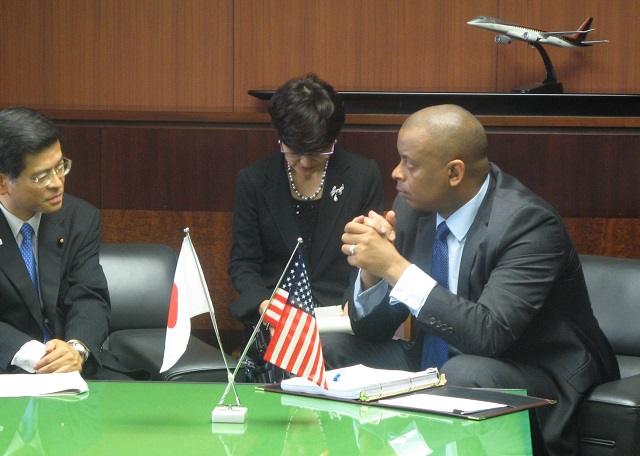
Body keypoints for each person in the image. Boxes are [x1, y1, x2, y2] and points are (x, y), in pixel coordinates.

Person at [333, 104, 618, 454]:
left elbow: (489, 335)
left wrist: (394, 267)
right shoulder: (413, 208)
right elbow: (371, 330)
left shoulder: (528, 223)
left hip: (530, 372)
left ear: (454, 172)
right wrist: (372, 270)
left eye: (410, 163)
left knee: (465, 372)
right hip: (437, 367)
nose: (395, 173)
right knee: (333, 349)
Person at [0, 107, 136, 380]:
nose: (57, 183)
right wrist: (41, 358)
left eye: (60, 167)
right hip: (0, 365)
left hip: (73, 362)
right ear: (1, 182)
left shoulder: (80, 217)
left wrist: (76, 349)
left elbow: (89, 296)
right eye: (41, 177)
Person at [228, 73, 385, 380]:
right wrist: (263, 303)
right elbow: (243, 262)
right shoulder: (255, 180)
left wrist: (353, 303)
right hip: (277, 320)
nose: (306, 162)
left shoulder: (362, 175)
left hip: (339, 319)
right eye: (294, 150)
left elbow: (368, 255)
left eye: (318, 151)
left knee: (333, 351)